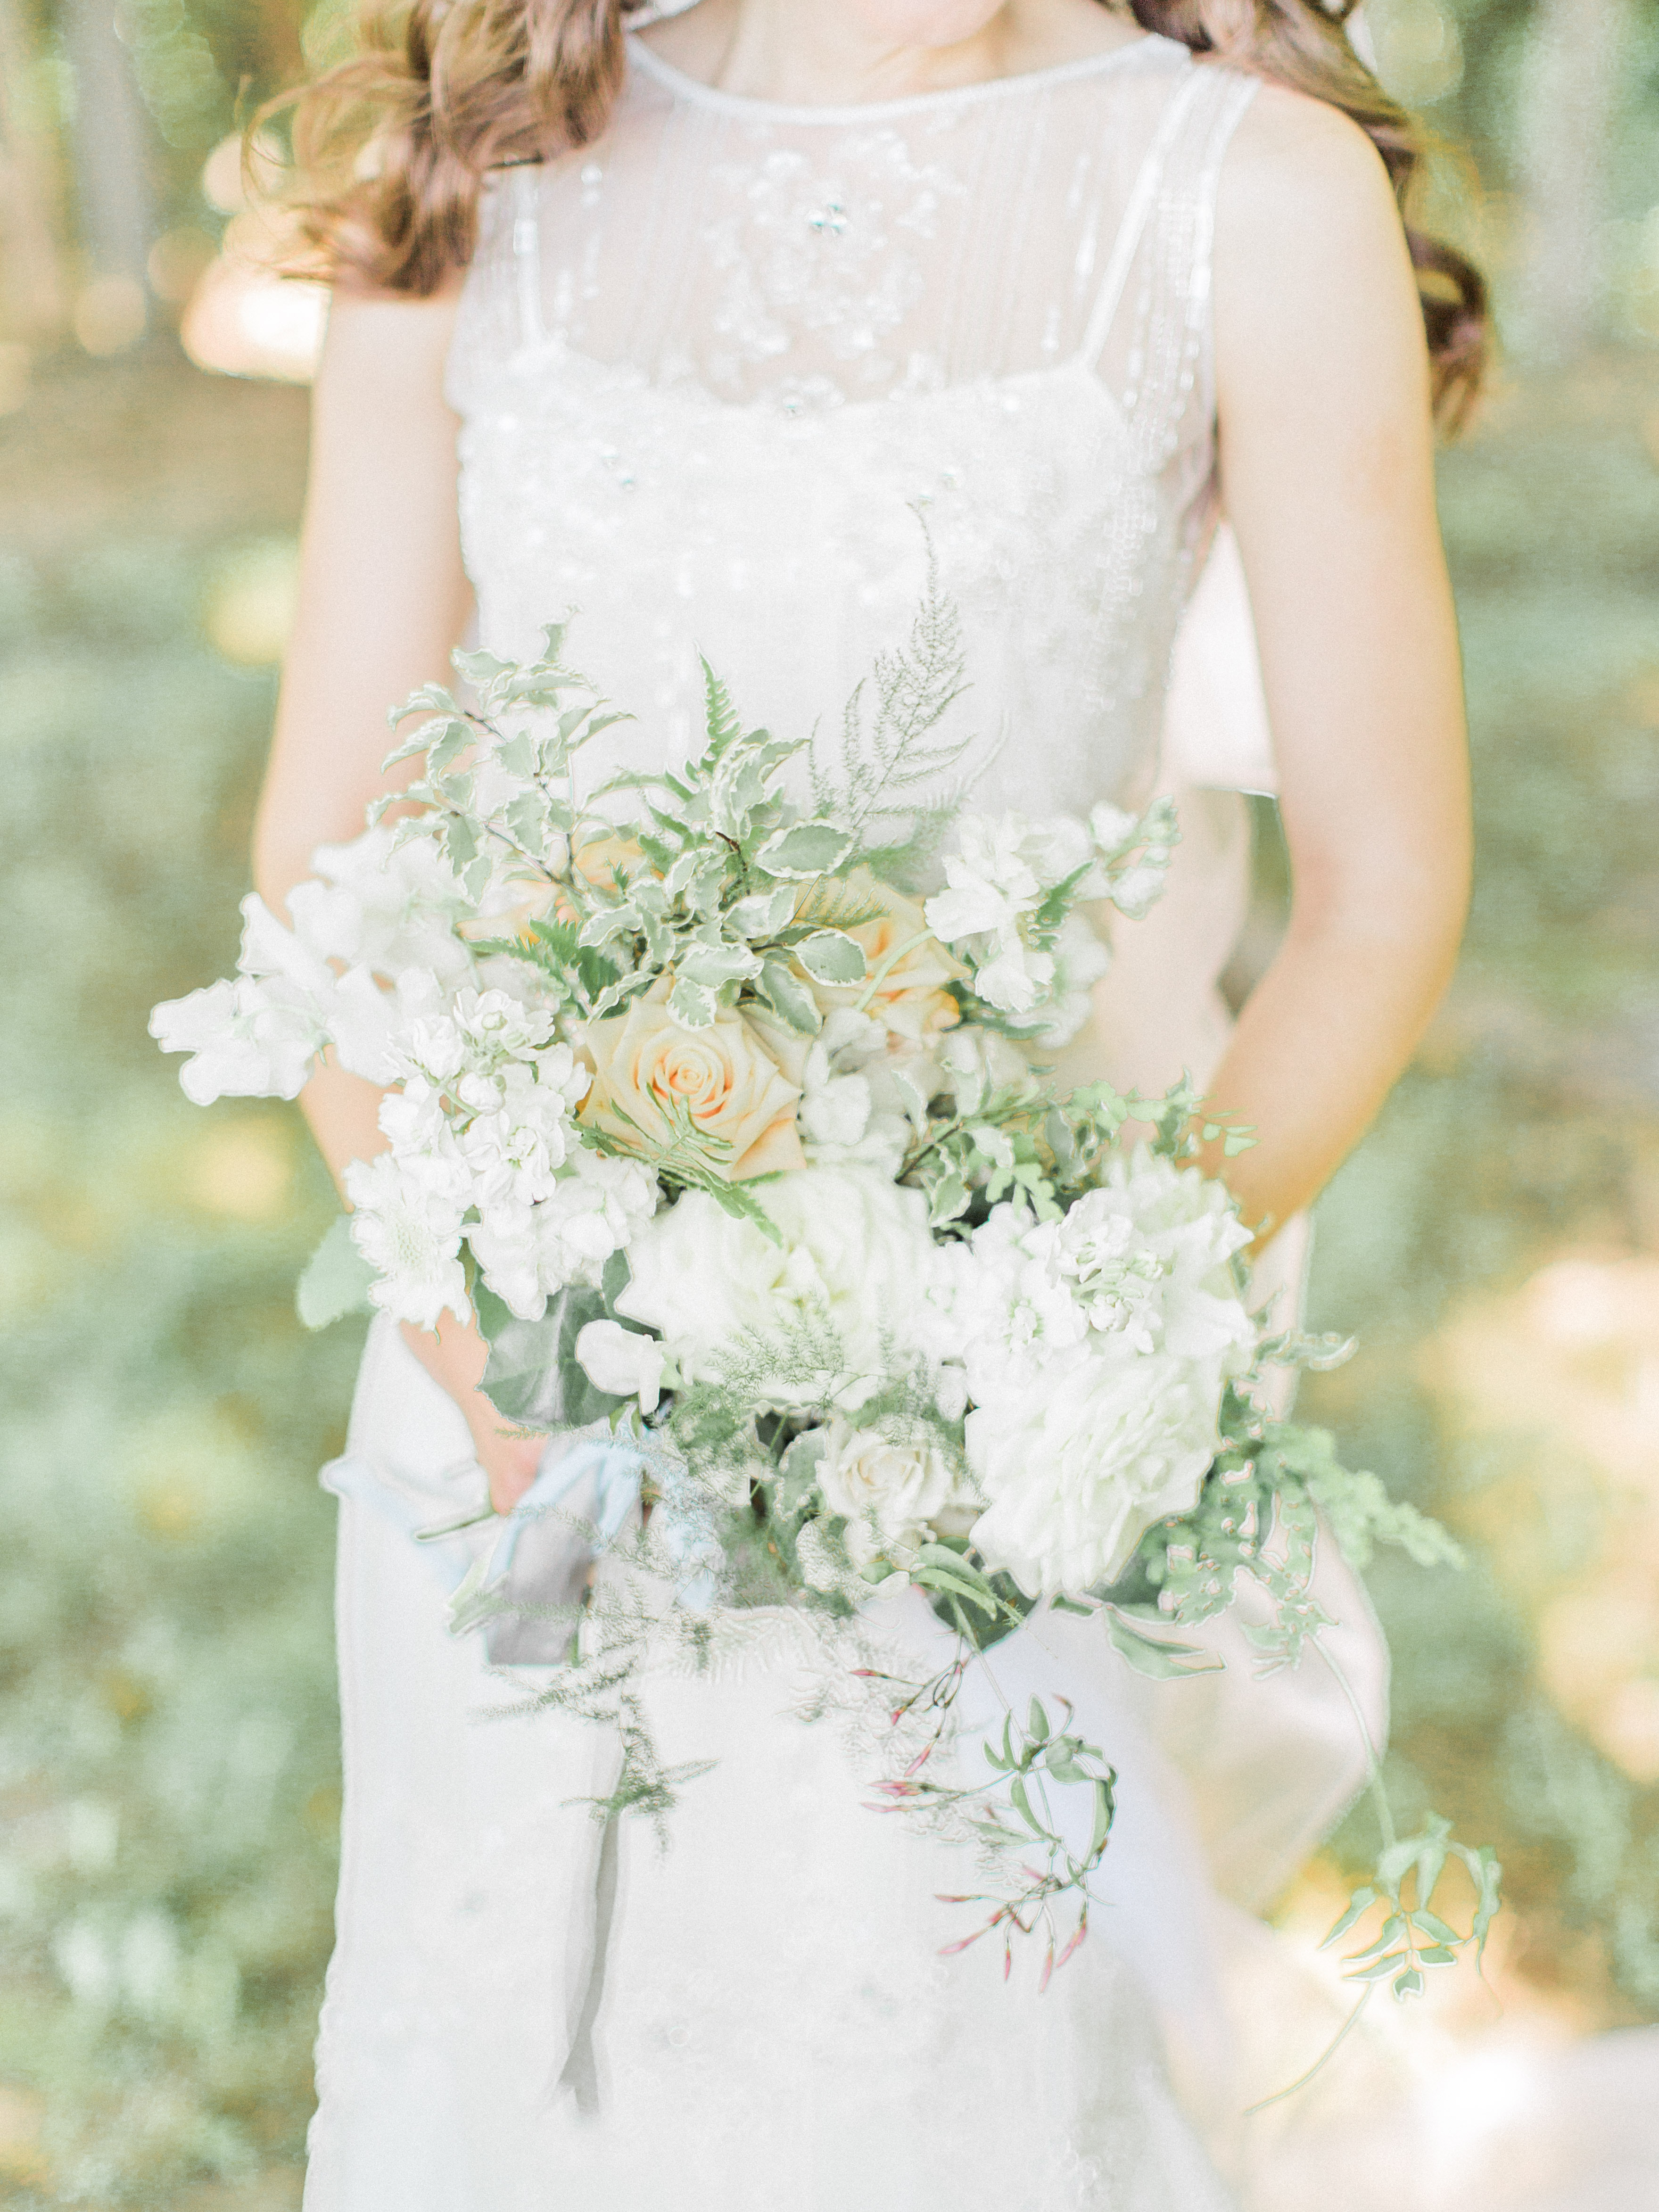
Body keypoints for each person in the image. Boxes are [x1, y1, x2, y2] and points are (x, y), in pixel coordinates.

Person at [249, 1, 1478, 2204]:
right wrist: (518, 1386)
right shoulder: (479, 173)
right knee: (539, 2084)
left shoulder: (1245, 195)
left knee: (949, 2081)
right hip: (514, 1383)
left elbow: (1379, 900)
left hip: (994, 1456)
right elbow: (325, 876)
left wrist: (1031, 1363)